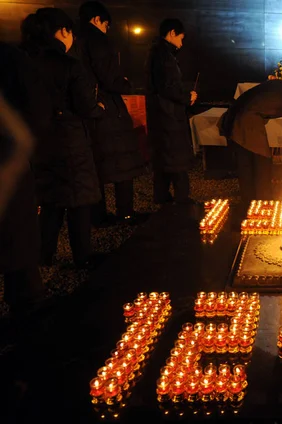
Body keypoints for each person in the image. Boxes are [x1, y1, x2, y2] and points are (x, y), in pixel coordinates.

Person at [21, 8, 106, 269]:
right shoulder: (69, 64)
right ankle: (82, 256)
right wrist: (98, 109)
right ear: (64, 32)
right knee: (78, 199)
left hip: (39, 140)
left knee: (50, 201)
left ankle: (42, 256)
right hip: (69, 140)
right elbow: (84, 104)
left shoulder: (25, 61)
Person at [76, 1, 146, 226]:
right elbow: (108, 76)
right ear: (97, 20)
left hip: (88, 108)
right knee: (121, 161)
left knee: (97, 164)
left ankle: (98, 215)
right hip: (108, 109)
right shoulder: (97, 41)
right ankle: (125, 212)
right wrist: (124, 84)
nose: (107, 29)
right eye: (107, 25)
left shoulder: (75, 41)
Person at [0, 42, 51, 318]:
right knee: (16, 230)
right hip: (8, 161)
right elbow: (37, 109)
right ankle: (26, 300)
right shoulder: (11, 58)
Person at [217, 80, 282, 207]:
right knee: (262, 159)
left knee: (245, 161)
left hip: (234, 116)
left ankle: (248, 201)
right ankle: (264, 201)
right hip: (248, 121)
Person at [145, 18, 196, 205]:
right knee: (177, 158)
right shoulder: (164, 56)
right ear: (172, 33)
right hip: (169, 116)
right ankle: (182, 200)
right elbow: (168, 87)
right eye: (181, 38)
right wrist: (187, 97)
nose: (181, 44)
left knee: (163, 159)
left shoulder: (156, 52)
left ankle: (162, 197)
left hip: (160, 115)